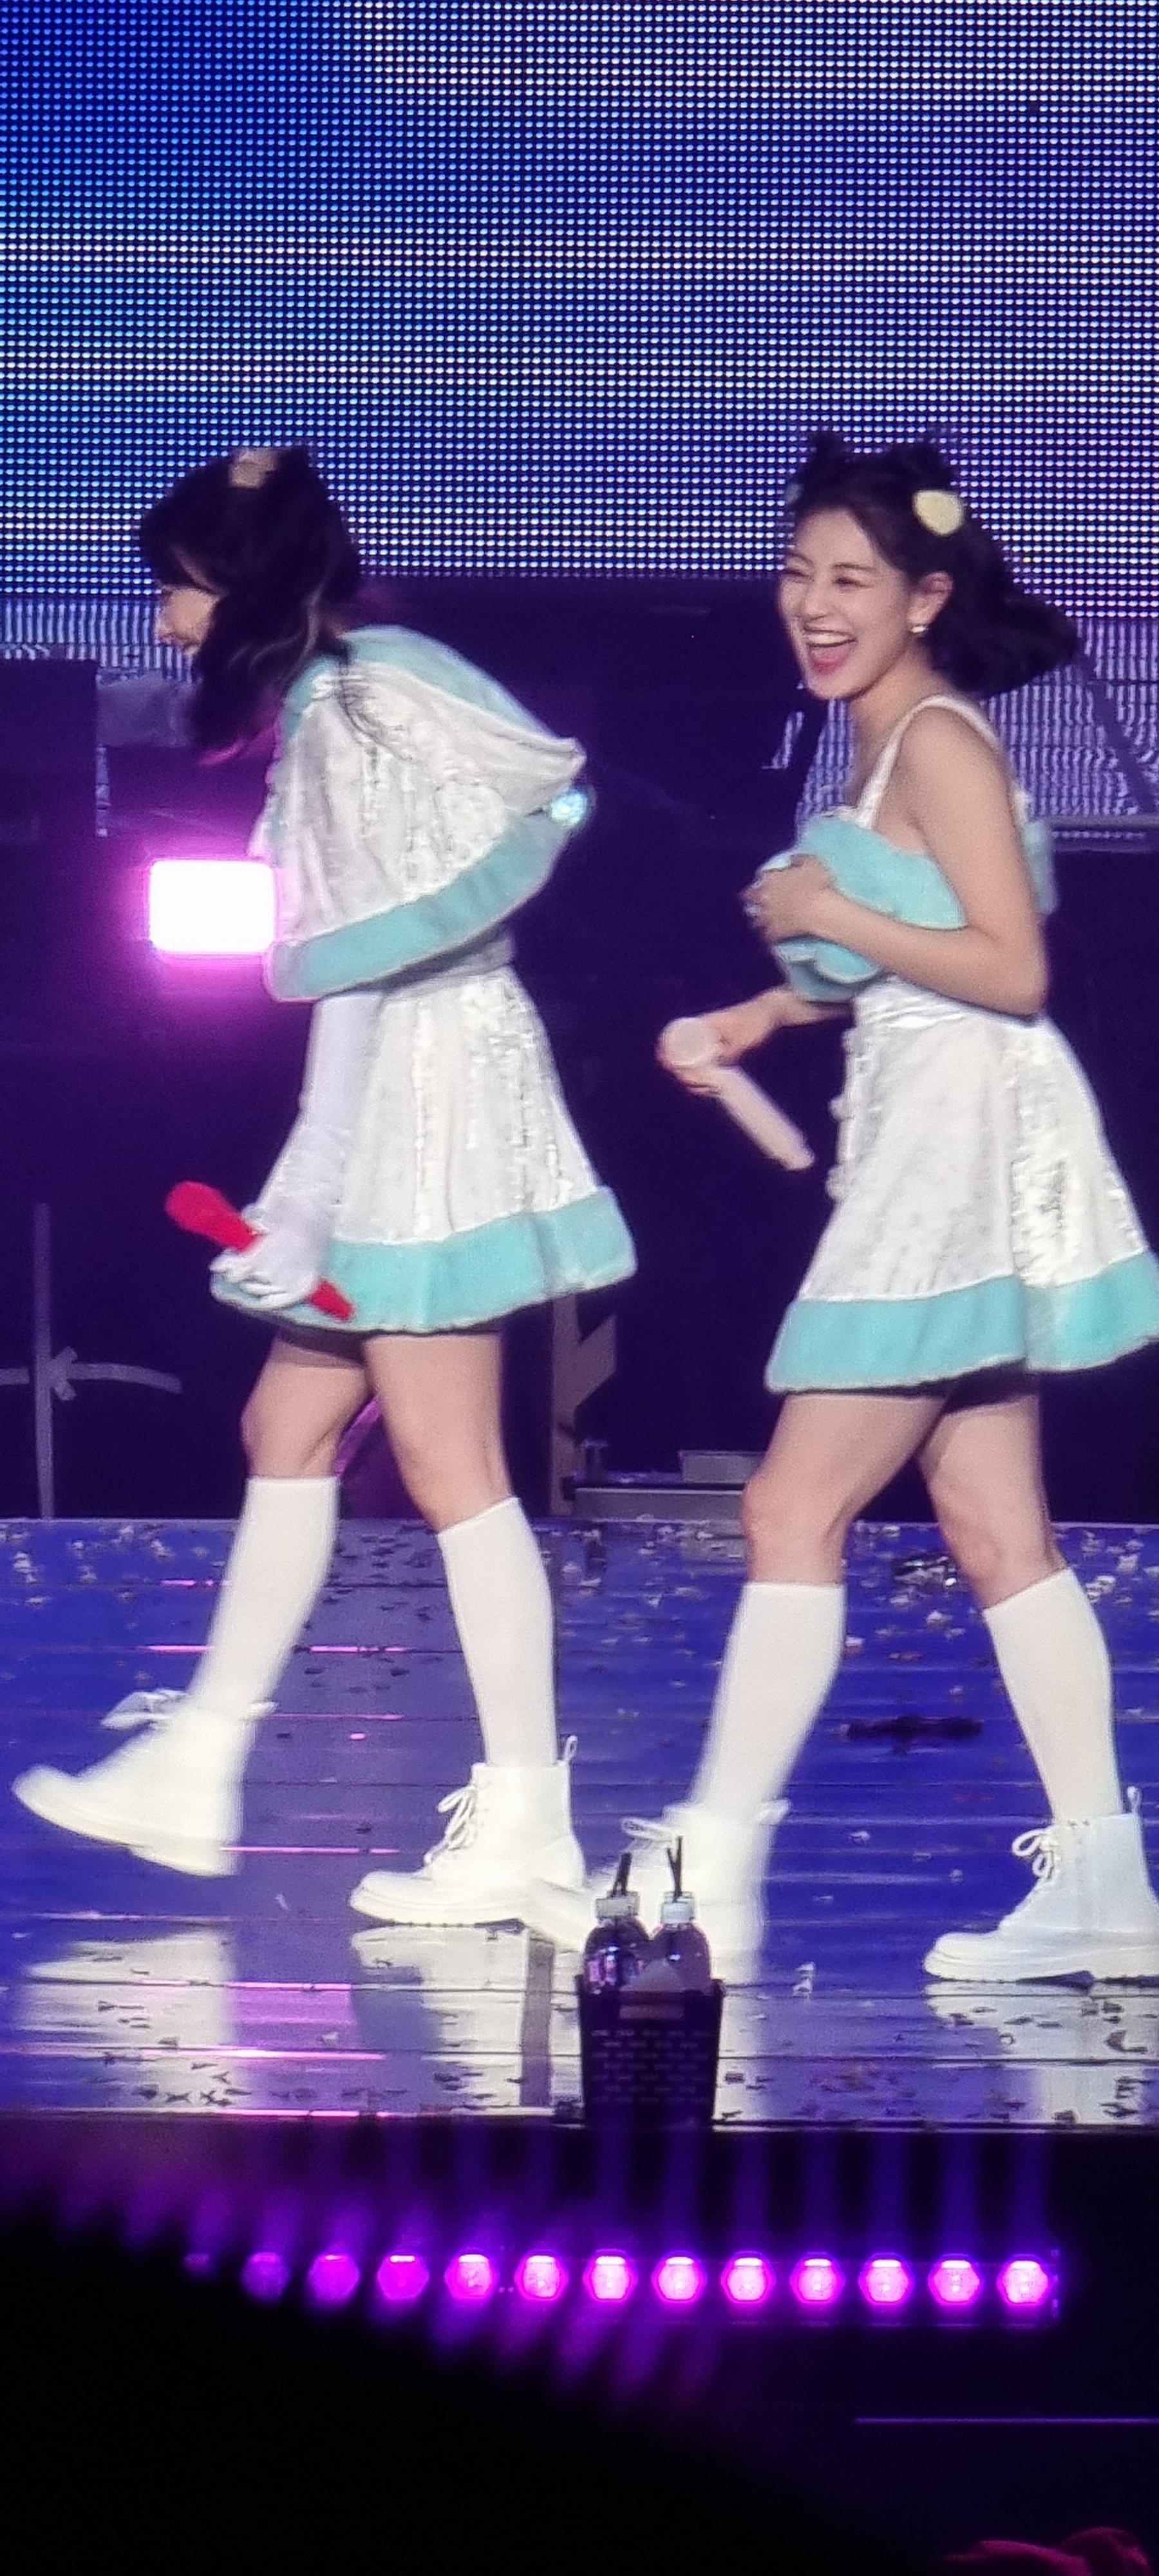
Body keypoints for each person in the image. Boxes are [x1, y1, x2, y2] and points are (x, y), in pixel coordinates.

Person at [538, 431, 1159, 1983]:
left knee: (788, 1507)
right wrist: (761, 1011)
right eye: (798, 573)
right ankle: (1106, 1884)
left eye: (852, 580)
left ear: (925, 597)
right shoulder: (880, 745)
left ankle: (714, 1870)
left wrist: (826, 910)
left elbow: (1013, 968)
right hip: (934, 1125)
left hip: (958, 1147)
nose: (814, 606)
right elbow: (916, 949)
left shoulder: (937, 739)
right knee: (994, 1525)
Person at [14, 444, 635, 1924]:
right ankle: (201, 1761)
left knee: (449, 1459)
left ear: (243, 587)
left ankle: (529, 1820)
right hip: (420, 1079)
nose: (166, 621)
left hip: (423, 1101)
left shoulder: (355, 705)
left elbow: (366, 970)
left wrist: (311, 1183)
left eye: (177, 589)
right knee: (285, 1424)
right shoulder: (367, 685)